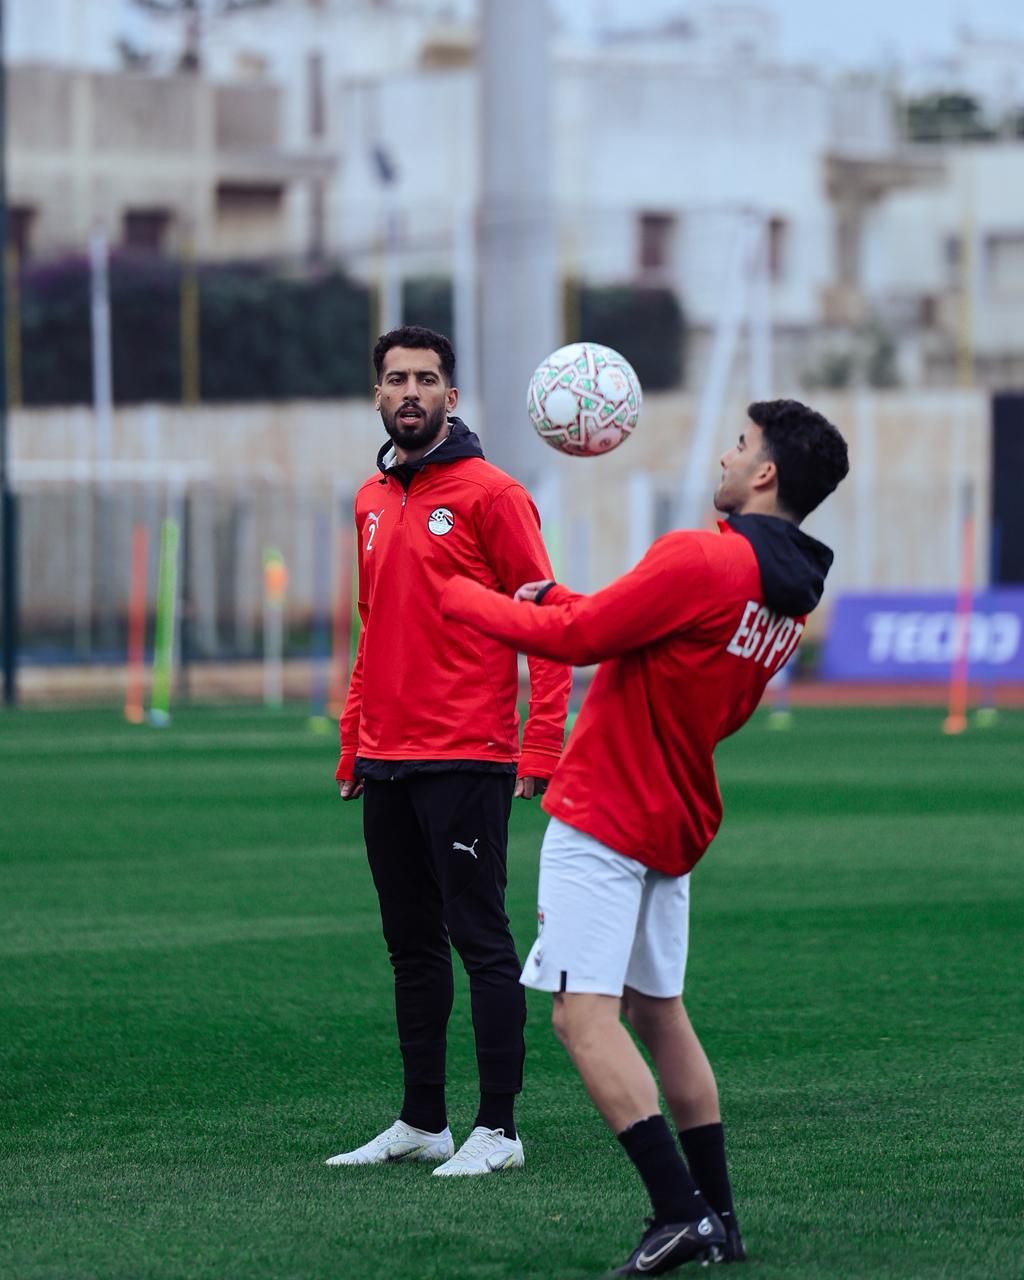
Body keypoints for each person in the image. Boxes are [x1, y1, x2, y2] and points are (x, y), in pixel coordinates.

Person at [440, 399, 849, 1270]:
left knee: (581, 1020)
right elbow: (645, 627)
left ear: (766, 473)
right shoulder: (786, 599)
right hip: (674, 813)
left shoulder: (702, 555)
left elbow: (580, 640)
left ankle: (678, 1211)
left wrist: (463, 598)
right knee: (659, 1014)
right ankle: (722, 1222)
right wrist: (556, 597)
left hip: (607, 808)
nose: (726, 457)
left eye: (740, 445)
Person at [326, 325, 571, 1177]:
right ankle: (422, 1121)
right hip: (387, 755)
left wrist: (542, 744)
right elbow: (374, 629)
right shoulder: (369, 497)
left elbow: (547, 624)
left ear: (451, 397)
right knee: (410, 945)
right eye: (396, 379)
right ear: (378, 394)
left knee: (480, 938)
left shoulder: (493, 495)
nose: (410, 393)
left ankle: (498, 1130)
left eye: (426, 380)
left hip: (469, 752)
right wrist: (353, 742)